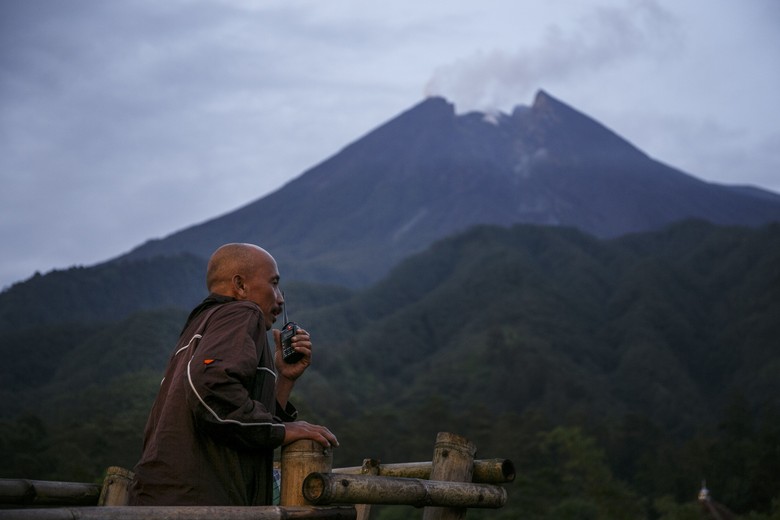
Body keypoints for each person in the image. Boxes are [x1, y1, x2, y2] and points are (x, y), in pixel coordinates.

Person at [128, 243, 338, 506]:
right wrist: (281, 430)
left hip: (157, 498)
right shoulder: (243, 311)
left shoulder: (200, 326)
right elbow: (211, 385)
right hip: (197, 504)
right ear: (240, 286)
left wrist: (285, 378)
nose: (280, 298)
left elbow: (234, 419)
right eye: (274, 283)